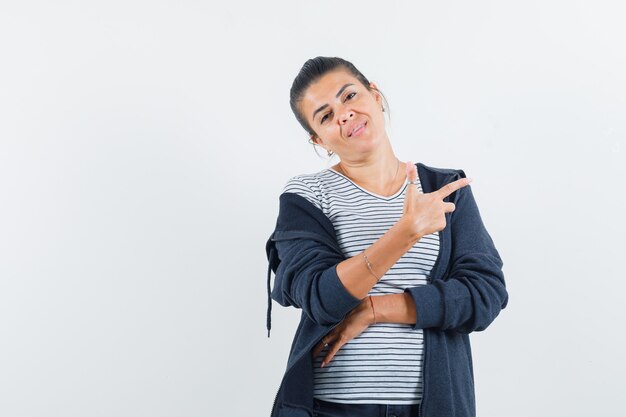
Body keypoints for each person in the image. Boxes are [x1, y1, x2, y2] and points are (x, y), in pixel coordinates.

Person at [265, 56, 508, 417]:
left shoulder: (444, 189)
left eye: (349, 96)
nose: (344, 114)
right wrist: (405, 233)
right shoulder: (307, 196)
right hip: (330, 408)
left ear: (375, 95)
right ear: (320, 140)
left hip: (433, 407)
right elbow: (321, 297)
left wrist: (376, 309)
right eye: (326, 115)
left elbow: (485, 295)